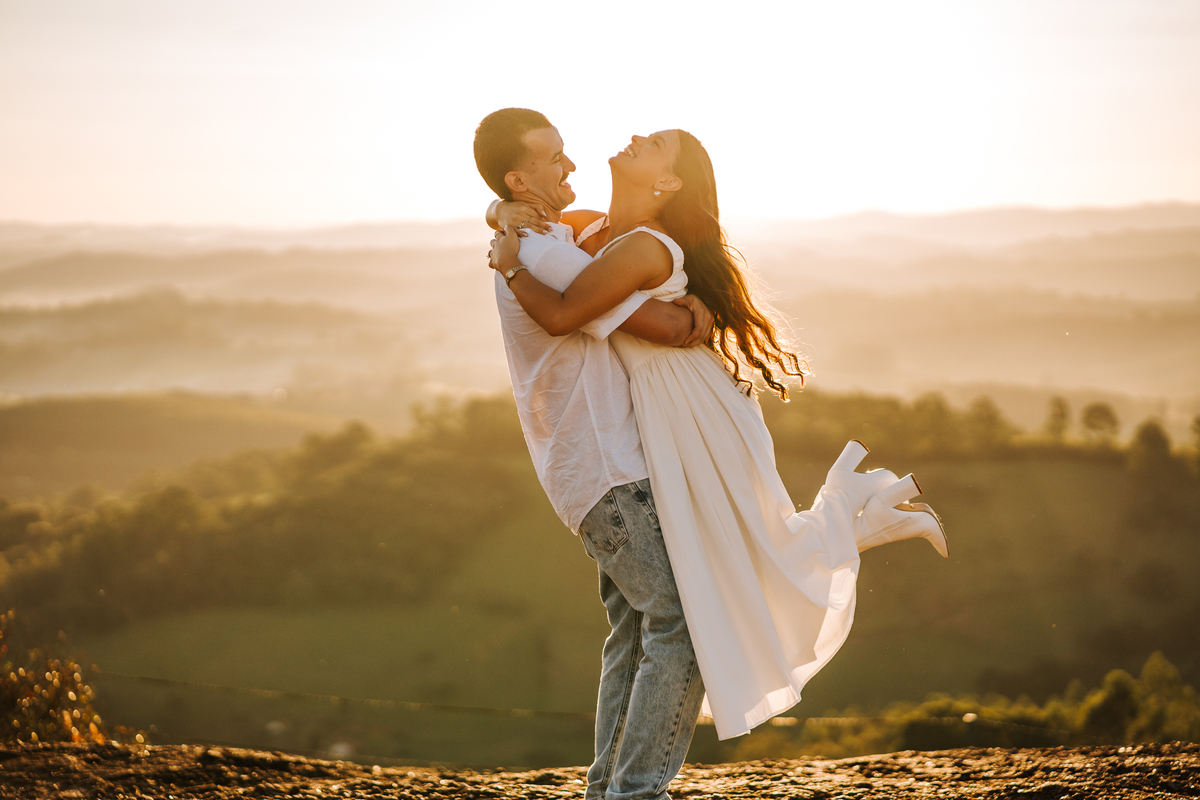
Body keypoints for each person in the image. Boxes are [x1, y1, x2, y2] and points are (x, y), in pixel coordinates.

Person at [487, 127, 948, 748]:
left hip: (689, 399)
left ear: (668, 182)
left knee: (741, 544)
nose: (634, 136)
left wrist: (512, 264)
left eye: (654, 143)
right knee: (727, 554)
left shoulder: (644, 245)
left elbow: (579, 309)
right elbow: (536, 226)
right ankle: (862, 514)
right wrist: (500, 211)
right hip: (658, 410)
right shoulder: (589, 229)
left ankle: (856, 512)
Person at [473, 108, 715, 800]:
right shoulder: (538, 252)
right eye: (554, 158)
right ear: (521, 179)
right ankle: (635, 792)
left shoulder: (545, 236)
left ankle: (609, 788)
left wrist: (501, 213)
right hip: (611, 470)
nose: (571, 165)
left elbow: (559, 243)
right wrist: (688, 319)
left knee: (636, 632)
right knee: (682, 624)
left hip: (594, 472)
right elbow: (647, 321)